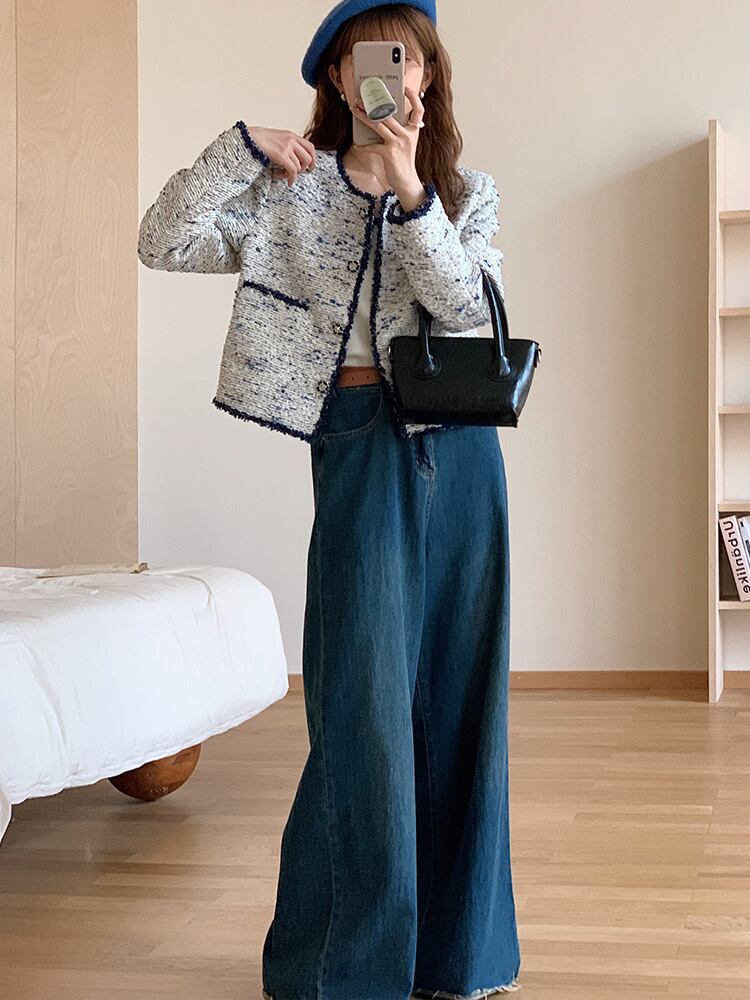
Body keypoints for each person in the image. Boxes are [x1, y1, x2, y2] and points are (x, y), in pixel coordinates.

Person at [138, 3, 521, 997]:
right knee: (359, 704)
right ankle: (340, 973)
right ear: (339, 79)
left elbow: (468, 314)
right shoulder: (287, 191)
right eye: (366, 58)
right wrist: (238, 150)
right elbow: (162, 241)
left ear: (426, 77)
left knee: (460, 696)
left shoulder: (464, 195)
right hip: (356, 441)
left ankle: (458, 959)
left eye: (408, 58)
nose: (390, 74)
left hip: (462, 455)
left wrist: (411, 193)